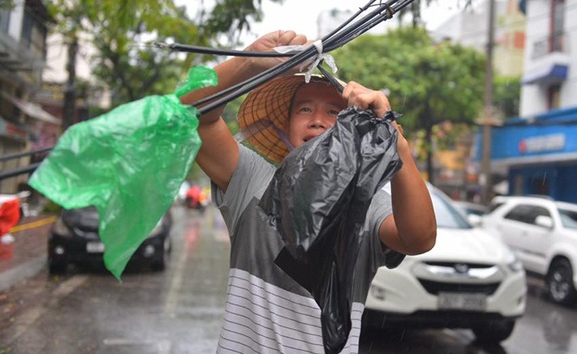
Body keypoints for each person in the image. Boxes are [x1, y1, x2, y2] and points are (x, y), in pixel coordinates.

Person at [181, 30, 437, 353]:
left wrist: (394, 139)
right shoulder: (251, 180)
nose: (317, 121)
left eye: (334, 113)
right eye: (304, 110)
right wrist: (247, 62)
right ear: (284, 128)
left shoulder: (367, 207)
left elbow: (420, 238)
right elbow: (187, 115)